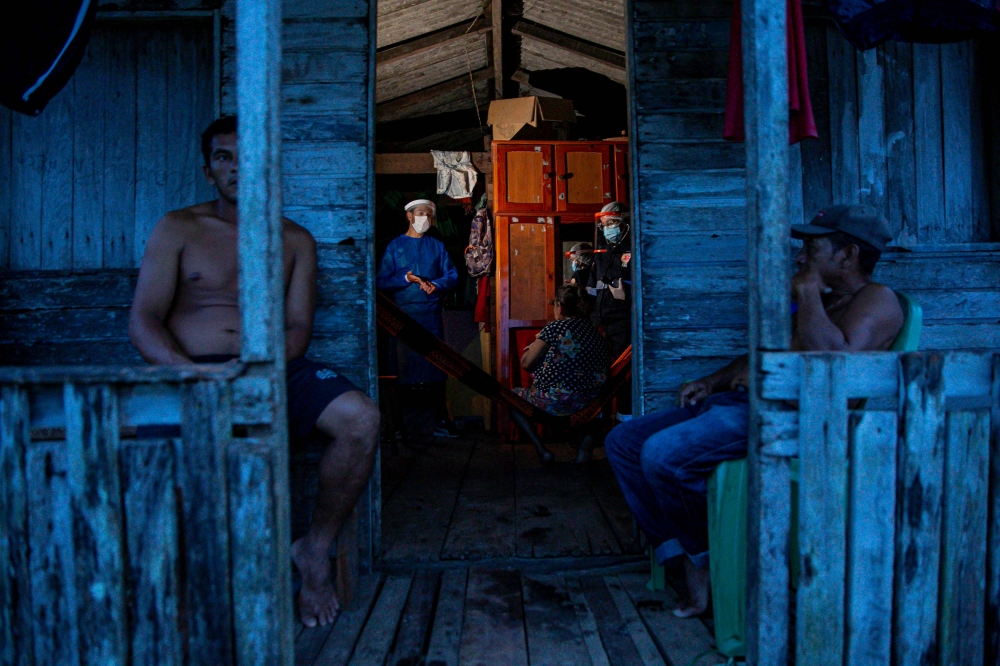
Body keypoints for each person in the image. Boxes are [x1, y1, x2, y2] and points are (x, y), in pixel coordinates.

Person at [128, 116, 379, 629]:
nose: (237, 166)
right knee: (177, 460)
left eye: (249, 155)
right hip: (191, 374)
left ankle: (314, 551)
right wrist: (191, 374)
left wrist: (258, 371)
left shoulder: (295, 240)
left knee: (362, 419)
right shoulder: (179, 227)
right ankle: (186, 593)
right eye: (224, 157)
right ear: (208, 170)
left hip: (271, 368)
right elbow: (144, 320)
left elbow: (297, 328)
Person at [604, 204, 904, 618]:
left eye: (812, 250)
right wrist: (713, 381)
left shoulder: (879, 299)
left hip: (796, 419)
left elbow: (833, 367)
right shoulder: (819, 300)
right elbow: (764, 355)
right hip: (747, 404)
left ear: (849, 255)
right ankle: (681, 550)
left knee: (662, 455)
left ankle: (703, 565)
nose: (800, 258)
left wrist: (808, 294)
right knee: (623, 442)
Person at [376, 199, 460, 437]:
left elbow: (452, 276)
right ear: (410, 217)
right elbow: (380, 281)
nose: (425, 219)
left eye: (429, 216)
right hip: (403, 318)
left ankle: (441, 422)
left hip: (431, 317)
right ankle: (397, 426)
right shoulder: (395, 247)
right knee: (401, 371)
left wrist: (436, 284)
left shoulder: (437, 246)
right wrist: (406, 279)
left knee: (435, 367)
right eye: (421, 213)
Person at [516, 284, 611, 416]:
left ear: (560, 307)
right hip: (591, 403)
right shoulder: (597, 331)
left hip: (557, 401)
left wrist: (533, 347)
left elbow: (526, 363)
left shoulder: (555, 327)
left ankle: (534, 438)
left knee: (514, 397)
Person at [588, 201, 633, 418]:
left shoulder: (633, 249)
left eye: (613, 222)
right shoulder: (601, 253)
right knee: (598, 371)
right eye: (605, 224)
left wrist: (627, 294)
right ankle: (598, 418)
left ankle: (625, 418)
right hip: (600, 321)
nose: (609, 228)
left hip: (623, 321)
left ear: (625, 223)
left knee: (623, 373)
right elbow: (591, 288)